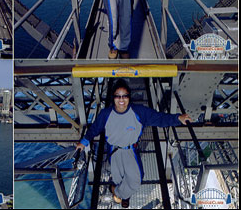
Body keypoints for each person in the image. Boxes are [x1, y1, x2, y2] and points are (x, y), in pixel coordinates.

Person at [76, 79, 191, 208]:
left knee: (136, 180)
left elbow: (159, 118)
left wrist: (177, 118)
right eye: (118, 96)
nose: (121, 99)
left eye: (124, 96)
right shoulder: (106, 114)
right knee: (119, 179)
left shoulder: (139, 112)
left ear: (129, 97)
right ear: (113, 98)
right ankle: (125, 195)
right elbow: (95, 128)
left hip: (130, 151)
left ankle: (115, 191)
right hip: (113, 151)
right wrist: (83, 142)